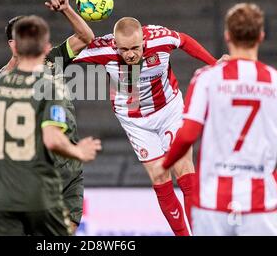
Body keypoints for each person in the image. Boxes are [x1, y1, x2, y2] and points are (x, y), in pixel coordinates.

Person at [161, 3, 277, 235]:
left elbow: (188, 134)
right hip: (259, 205)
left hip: (212, 203)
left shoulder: (206, 79)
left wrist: (165, 164)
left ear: (227, 36)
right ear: (261, 36)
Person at [73, 17, 227, 236]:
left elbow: (183, 40)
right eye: (124, 49)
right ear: (115, 45)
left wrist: (214, 63)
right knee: (160, 178)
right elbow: (65, 56)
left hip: (169, 111)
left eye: (135, 48)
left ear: (143, 41)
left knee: (184, 171)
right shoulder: (102, 49)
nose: (130, 54)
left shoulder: (160, 38)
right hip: (135, 121)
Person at [0, 15, 101, 236]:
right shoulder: (49, 84)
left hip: (50, 173)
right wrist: (79, 151)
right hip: (44, 171)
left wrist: (4, 150)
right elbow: (51, 138)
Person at [0, 0, 94, 232]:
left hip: (69, 163)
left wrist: (66, 10)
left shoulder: (53, 59)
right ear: (12, 43)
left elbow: (86, 37)